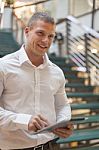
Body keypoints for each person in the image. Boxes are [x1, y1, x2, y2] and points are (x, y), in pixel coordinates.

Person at [0, 12, 73, 150]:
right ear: (27, 31)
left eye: (51, 36)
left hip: (50, 145)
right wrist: (24, 120)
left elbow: (62, 105)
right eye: (40, 33)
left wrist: (63, 122)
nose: (46, 40)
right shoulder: (3, 66)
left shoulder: (57, 72)